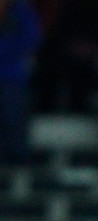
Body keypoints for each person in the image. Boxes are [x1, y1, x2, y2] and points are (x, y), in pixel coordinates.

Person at [0, 0, 41, 165]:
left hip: (11, 77)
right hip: (11, 74)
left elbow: (33, 37)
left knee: (13, 120)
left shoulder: (20, 10)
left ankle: (17, 162)